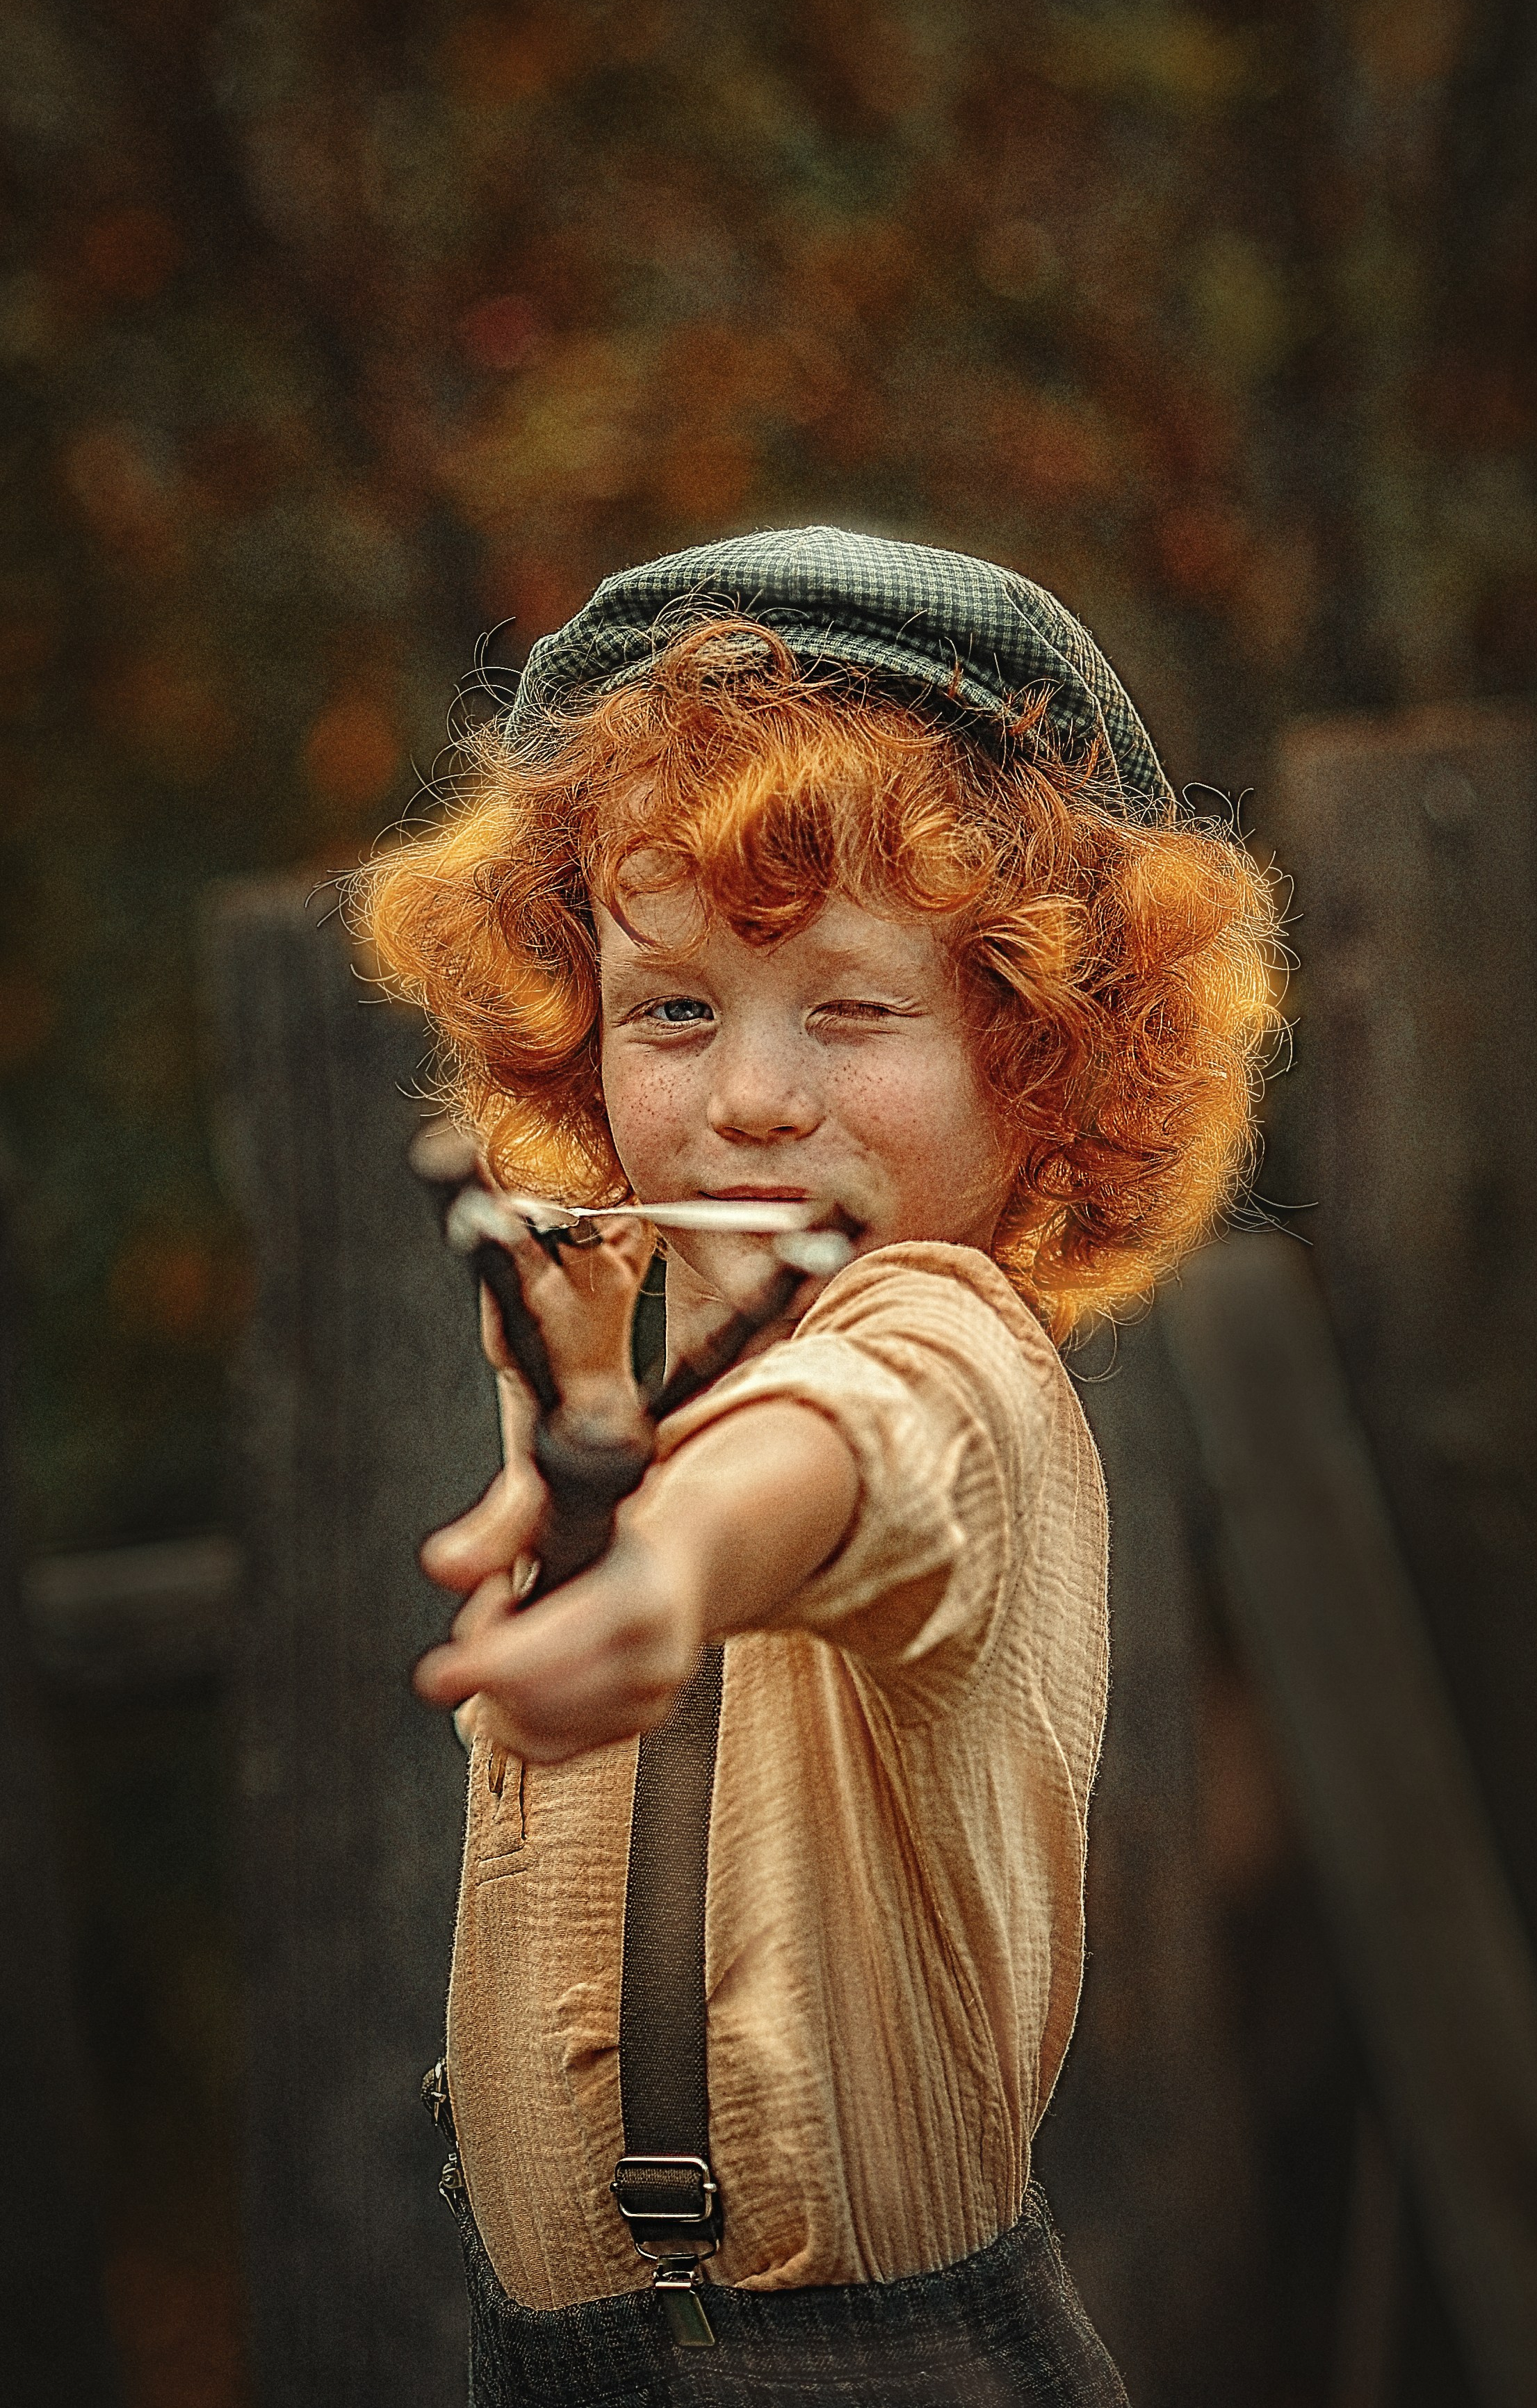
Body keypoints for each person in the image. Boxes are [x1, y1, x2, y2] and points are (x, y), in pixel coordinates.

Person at [353, 526, 1283, 2404]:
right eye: (675, 1008)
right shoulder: (622, 1364)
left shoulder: (966, 1355)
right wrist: (594, 1452)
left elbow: (856, 1446)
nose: (754, 1094)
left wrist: (672, 1561)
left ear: (1036, 1059)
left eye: (851, 1010)